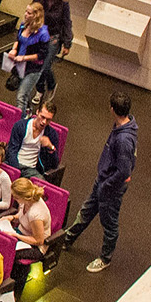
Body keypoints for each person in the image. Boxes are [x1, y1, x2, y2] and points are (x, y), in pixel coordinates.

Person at [56, 91, 136, 273]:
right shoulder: (122, 127)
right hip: (103, 180)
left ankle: (105, 258)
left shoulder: (124, 139)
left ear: (112, 109)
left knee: (109, 223)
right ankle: (66, 240)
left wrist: (106, 185)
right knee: (86, 211)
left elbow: (124, 170)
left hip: (110, 187)